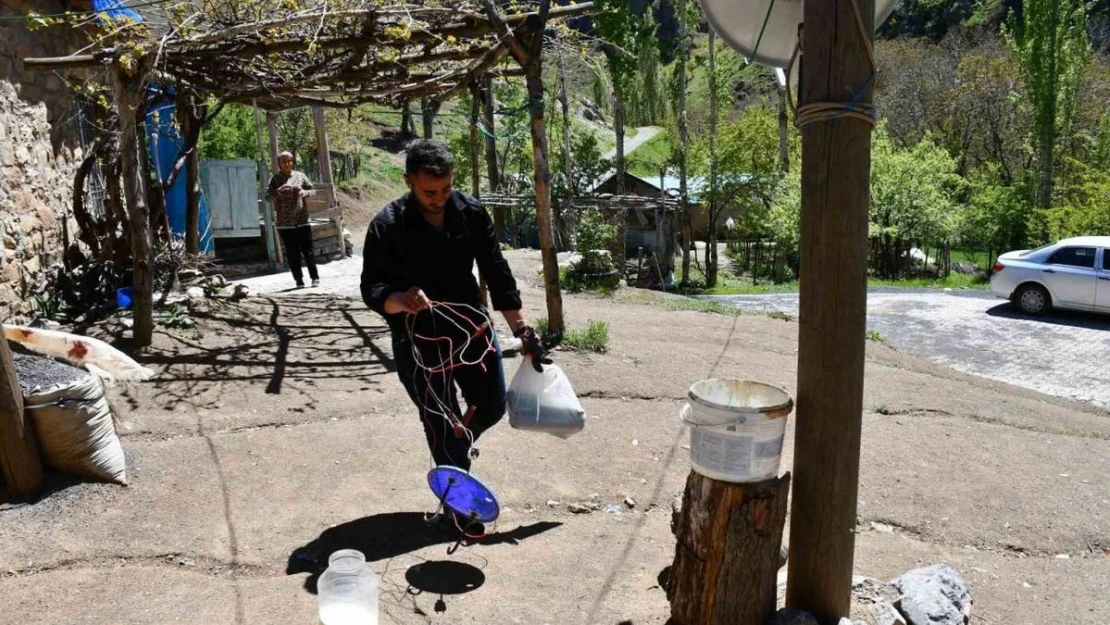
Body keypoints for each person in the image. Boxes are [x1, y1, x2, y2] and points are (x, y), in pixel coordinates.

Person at [360, 139, 549, 471]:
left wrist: (522, 329)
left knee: (491, 406)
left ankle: (455, 448)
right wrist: (400, 299)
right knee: (439, 419)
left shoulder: (470, 212)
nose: (439, 199)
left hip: (471, 330)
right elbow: (371, 287)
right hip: (418, 341)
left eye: (445, 189)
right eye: (429, 193)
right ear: (408, 182)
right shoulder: (387, 226)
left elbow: (496, 271)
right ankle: (459, 503)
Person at [266, 150, 320, 288]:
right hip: (285, 224)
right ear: (279, 163)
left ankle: (315, 278)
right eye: (284, 161)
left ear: (292, 162)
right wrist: (278, 192)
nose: (287, 163)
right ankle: (299, 280)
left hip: (302, 220)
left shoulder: (300, 176)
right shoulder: (274, 179)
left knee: (308, 251)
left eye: (289, 160)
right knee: (292, 253)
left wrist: (303, 192)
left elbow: (313, 190)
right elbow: (268, 197)